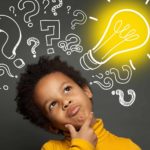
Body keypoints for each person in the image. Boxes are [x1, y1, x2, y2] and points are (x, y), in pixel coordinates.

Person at [15, 56, 141, 150]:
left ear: (86, 91)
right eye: (52, 104)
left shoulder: (127, 146)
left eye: (67, 89)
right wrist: (82, 146)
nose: (65, 101)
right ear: (51, 126)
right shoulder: (51, 148)